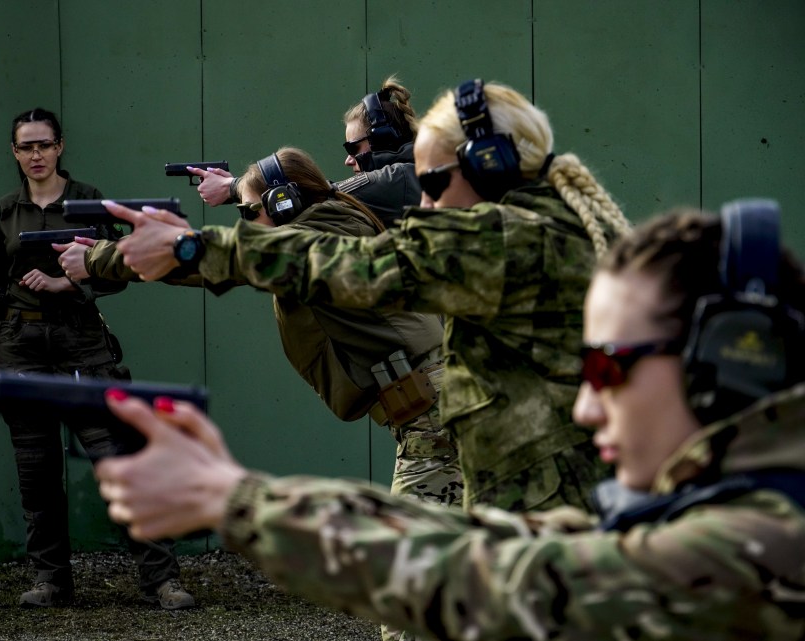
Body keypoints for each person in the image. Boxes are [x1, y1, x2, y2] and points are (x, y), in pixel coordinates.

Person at [95, 202, 805, 639]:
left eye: (610, 367)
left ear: (731, 360)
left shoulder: (764, 542)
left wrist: (232, 499)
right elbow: (490, 539)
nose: (587, 406)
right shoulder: (722, 505)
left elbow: (500, 578)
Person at [99, 78, 632, 512]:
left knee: (419, 581)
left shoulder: (497, 242)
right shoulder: (553, 227)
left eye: (433, 183)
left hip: (536, 473)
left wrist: (188, 250)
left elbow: (340, 263)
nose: (422, 204)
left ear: (488, 165)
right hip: (531, 467)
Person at [68, 147, 463, 510]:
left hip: (435, 417)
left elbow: (224, 261)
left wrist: (100, 259)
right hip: (438, 405)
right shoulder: (334, 217)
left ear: (285, 202)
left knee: (409, 558)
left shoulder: (315, 238)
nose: (247, 223)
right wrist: (237, 188)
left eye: (248, 212)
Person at [0, 108, 193, 610]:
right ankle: (51, 581)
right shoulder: (5, 212)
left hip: (81, 341)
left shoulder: (87, 201)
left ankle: (161, 581)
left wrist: (70, 280)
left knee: (119, 461)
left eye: (44, 144)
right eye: (26, 147)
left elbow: (123, 263)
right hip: (20, 345)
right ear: (15, 153)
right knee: (36, 471)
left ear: (60, 146)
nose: (36, 155)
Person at [191, 76, 421, 228]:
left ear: (383, 140)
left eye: (354, 147)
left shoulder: (400, 179)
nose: (348, 160)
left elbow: (320, 194)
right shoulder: (409, 177)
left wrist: (234, 187)